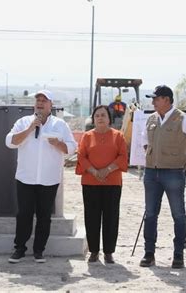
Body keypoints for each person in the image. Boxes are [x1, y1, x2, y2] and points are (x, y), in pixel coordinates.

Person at [139, 85, 186, 269]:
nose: (152, 101)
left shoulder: (183, 119)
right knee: (150, 214)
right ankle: (149, 254)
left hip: (174, 173)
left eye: (156, 98)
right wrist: (152, 155)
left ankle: (178, 255)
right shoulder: (151, 119)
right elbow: (144, 140)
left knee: (178, 214)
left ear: (167, 100)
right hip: (152, 173)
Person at [5, 90, 77, 263]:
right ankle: (20, 249)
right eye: (38, 100)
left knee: (44, 216)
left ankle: (39, 251)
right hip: (25, 178)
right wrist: (30, 129)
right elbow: (9, 142)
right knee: (24, 215)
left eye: (44, 100)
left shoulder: (60, 125)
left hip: (49, 179)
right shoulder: (23, 122)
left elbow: (72, 148)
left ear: (51, 105)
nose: (40, 103)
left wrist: (58, 144)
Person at [76, 105, 128, 264]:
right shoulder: (87, 136)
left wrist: (107, 170)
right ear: (93, 119)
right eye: (97, 115)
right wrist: (93, 171)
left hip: (112, 183)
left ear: (109, 118)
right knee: (91, 217)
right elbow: (81, 156)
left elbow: (122, 156)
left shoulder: (118, 136)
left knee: (111, 218)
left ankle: (109, 252)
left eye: (103, 115)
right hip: (90, 182)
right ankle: (93, 251)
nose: (100, 118)